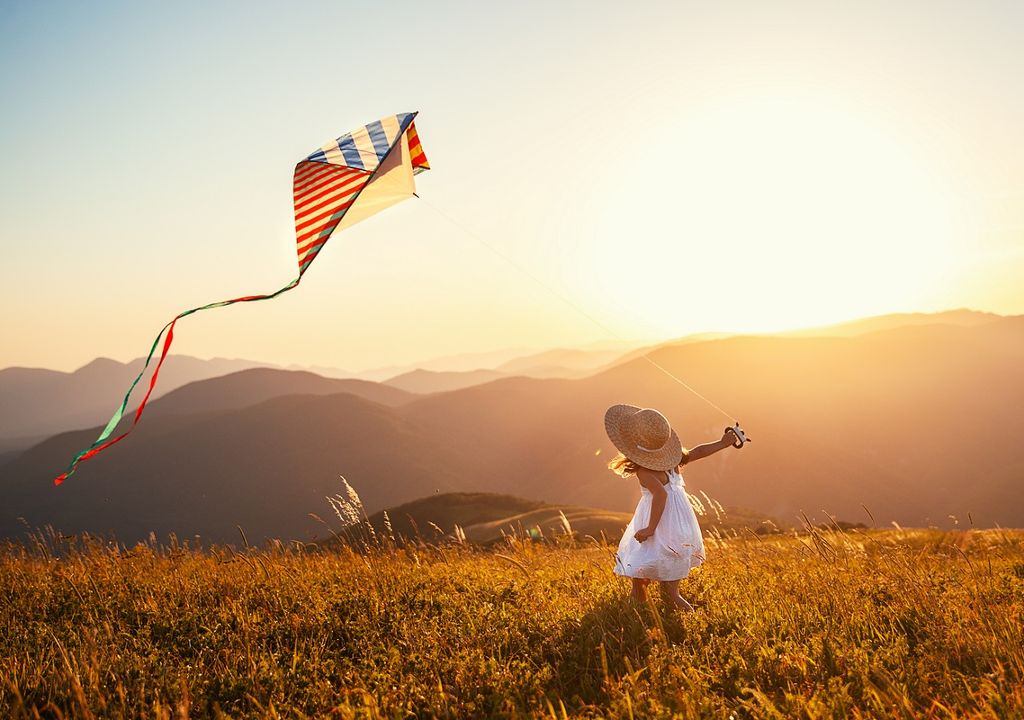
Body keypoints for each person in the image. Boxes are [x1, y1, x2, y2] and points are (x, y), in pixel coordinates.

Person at [605, 404, 739, 610]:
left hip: (658, 523)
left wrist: (650, 528)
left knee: (642, 570)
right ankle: (661, 605)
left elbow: (661, 494)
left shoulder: (645, 472)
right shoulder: (673, 462)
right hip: (679, 526)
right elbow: (697, 451)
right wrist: (723, 443)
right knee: (669, 585)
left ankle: (638, 608)